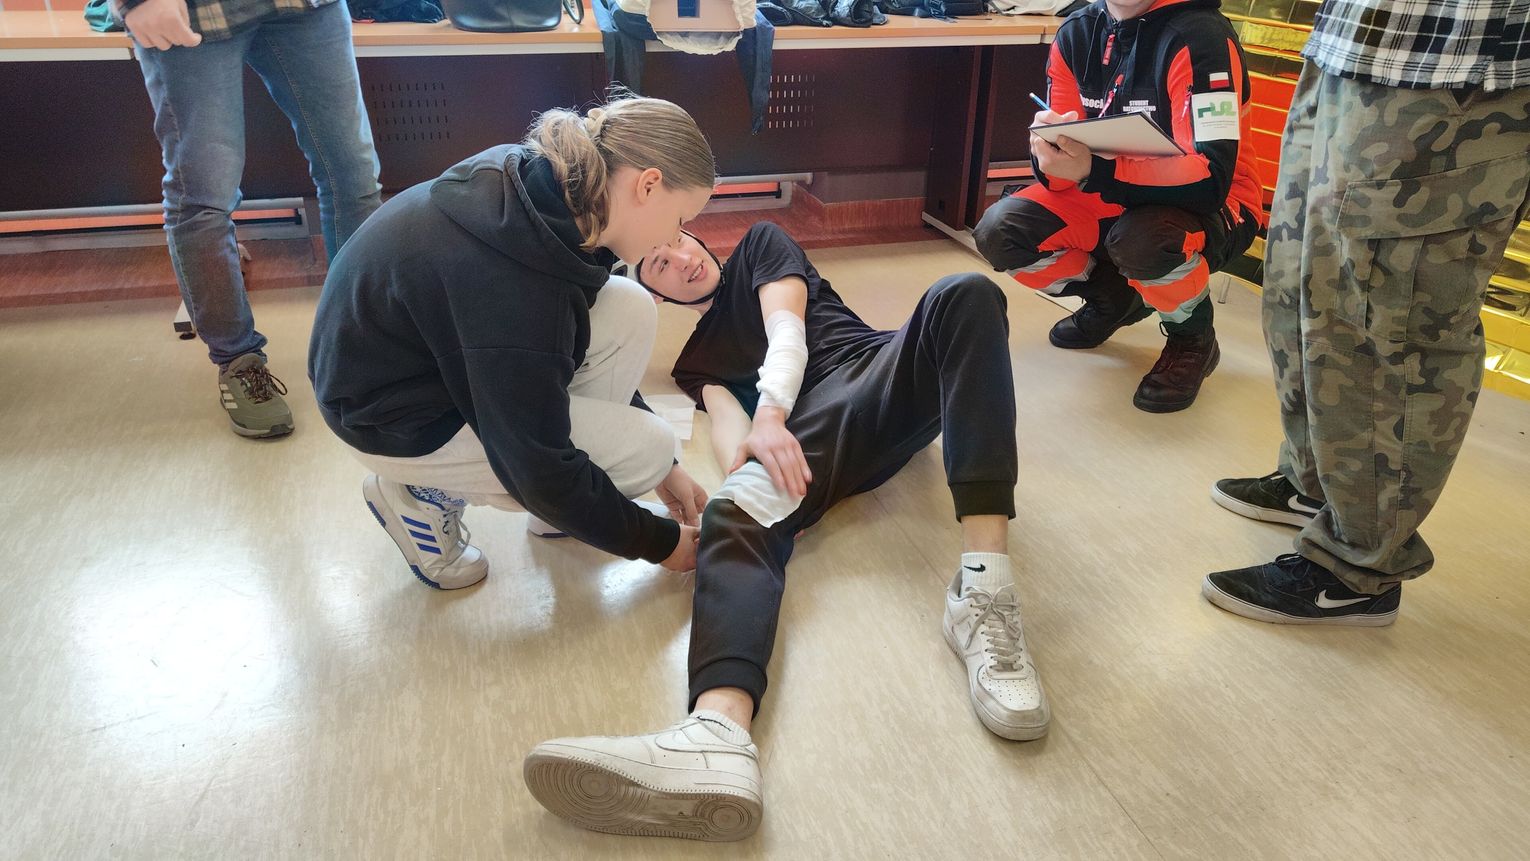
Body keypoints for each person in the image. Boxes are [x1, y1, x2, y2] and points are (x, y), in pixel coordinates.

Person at [522, 223, 1045, 842]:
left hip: (882, 374)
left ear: (698, 239)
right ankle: (716, 734)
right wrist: (740, 491)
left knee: (965, 292)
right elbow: (728, 421)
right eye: (659, 265)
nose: (680, 260)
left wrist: (770, 415)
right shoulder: (695, 362)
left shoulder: (760, 247)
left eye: (680, 243)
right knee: (730, 513)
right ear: (655, 294)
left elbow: (786, 330)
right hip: (816, 436)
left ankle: (984, 591)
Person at [1203, 0, 1530, 625]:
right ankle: (1316, 485)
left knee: (1388, 330)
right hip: (1350, 48)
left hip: (1456, 71)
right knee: (1300, 289)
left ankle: (1360, 566)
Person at [308, 96, 717, 588]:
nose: (676, 238)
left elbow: (554, 344)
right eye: (681, 220)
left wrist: (668, 471)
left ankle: (561, 513)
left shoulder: (552, 192)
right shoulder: (517, 288)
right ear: (647, 186)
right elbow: (536, 465)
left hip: (424, 363)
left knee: (629, 306)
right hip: (389, 418)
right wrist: (660, 543)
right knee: (647, 448)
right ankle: (421, 494)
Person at [973, 0, 1264, 413]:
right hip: (1108, 189)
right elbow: (1060, 180)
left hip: (1216, 205)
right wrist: (1049, 154)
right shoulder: (1076, 32)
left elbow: (1210, 181)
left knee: (1143, 241)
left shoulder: (1203, 37)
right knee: (1001, 231)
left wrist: (1097, 170)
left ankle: (1192, 338)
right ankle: (1114, 300)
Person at [121, 0, 383, 438]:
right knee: (203, 194)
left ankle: (365, 348)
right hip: (196, 12)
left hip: (305, 7)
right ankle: (238, 361)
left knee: (354, 177)